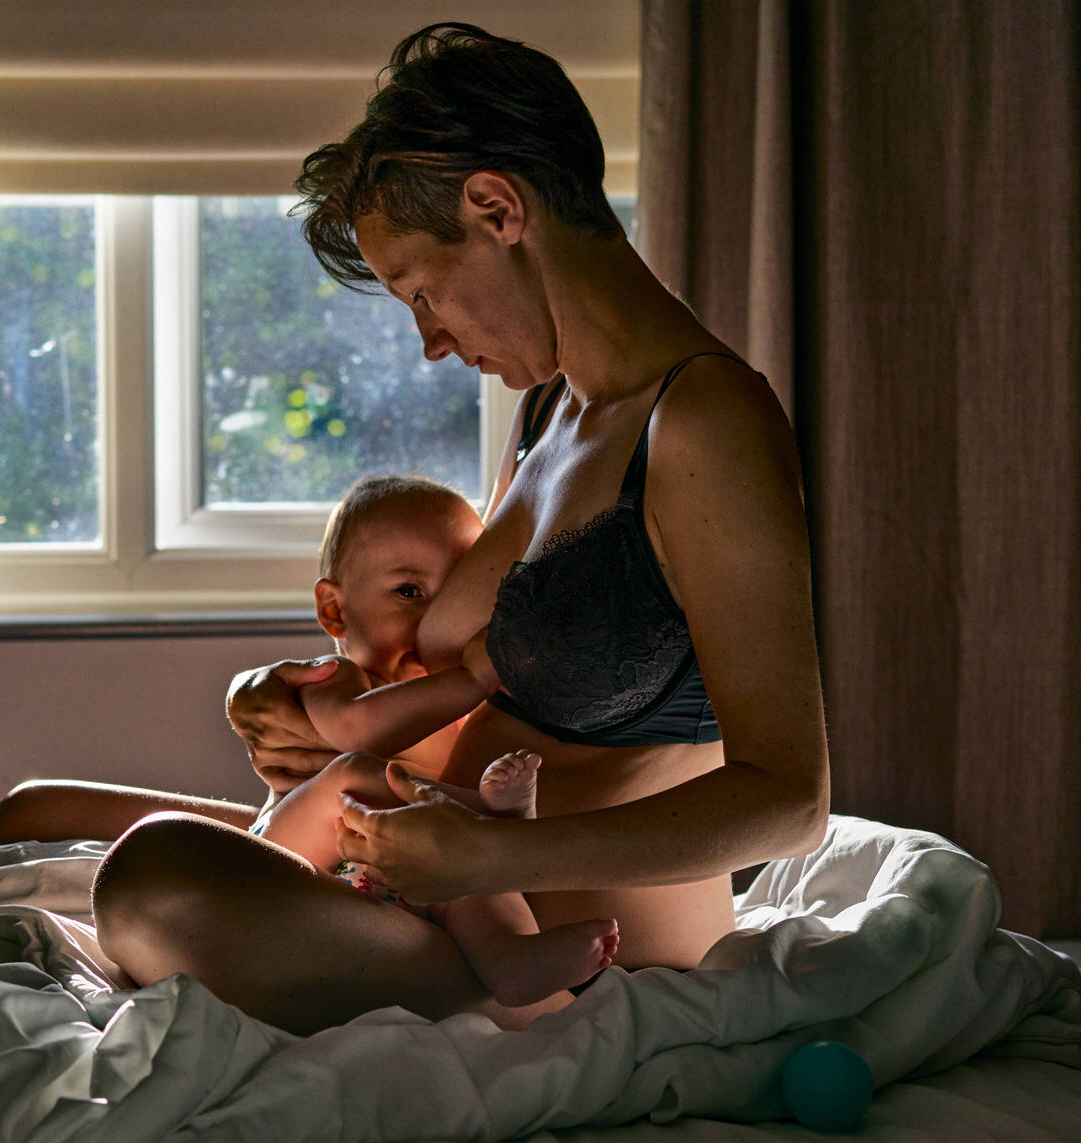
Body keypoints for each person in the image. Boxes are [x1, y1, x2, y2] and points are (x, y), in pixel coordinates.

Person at [88, 22, 829, 1036]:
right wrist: (299, 700)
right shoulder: (548, 415)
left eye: (422, 294)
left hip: (593, 953)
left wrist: (499, 859)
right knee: (102, 844)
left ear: (496, 207)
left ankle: (507, 997)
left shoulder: (702, 421)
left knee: (149, 879)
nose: (431, 342)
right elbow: (476, 670)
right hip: (446, 906)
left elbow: (790, 801)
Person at [251, 473, 618, 1006]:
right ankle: (496, 821)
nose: (434, 621)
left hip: (405, 880)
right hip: (302, 858)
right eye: (408, 592)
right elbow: (359, 732)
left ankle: (511, 958)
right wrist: (469, 681)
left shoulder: (474, 715)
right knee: (354, 771)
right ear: (335, 610)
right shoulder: (339, 680)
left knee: (474, 870)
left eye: (459, 597)